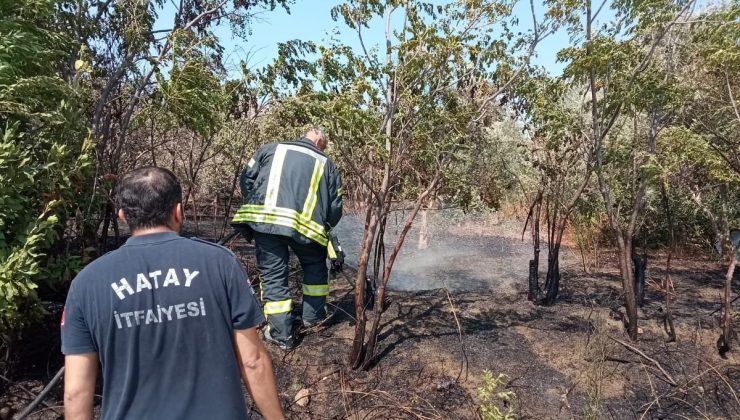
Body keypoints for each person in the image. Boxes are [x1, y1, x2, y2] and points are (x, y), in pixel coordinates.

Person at [62, 167, 284, 420]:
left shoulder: (86, 283)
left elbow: (76, 393)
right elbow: (252, 360)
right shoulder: (220, 263)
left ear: (123, 216)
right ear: (178, 211)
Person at [232, 127, 343, 350]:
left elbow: (247, 178)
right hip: (307, 230)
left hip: (267, 225)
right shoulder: (326, 163)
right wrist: (326, 224)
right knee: (315, 270)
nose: (323, 149)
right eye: (324, 144)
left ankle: (281, 335)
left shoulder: (269, 149)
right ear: (319, 138)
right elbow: (335, 206)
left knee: (273, 276)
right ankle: (314, 319)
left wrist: (257, 204)